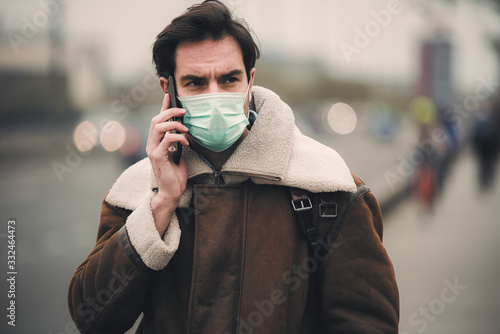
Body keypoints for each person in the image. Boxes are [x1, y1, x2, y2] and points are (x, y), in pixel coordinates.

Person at [67, 1, 399, 333]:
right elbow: (93, 317)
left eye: (229, 79)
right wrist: (162, 203)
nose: (215, 96)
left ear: (250, 80)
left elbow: (367, 322)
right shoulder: (136, 190)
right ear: (169, 90)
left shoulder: (327, 185)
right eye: (196, 83)